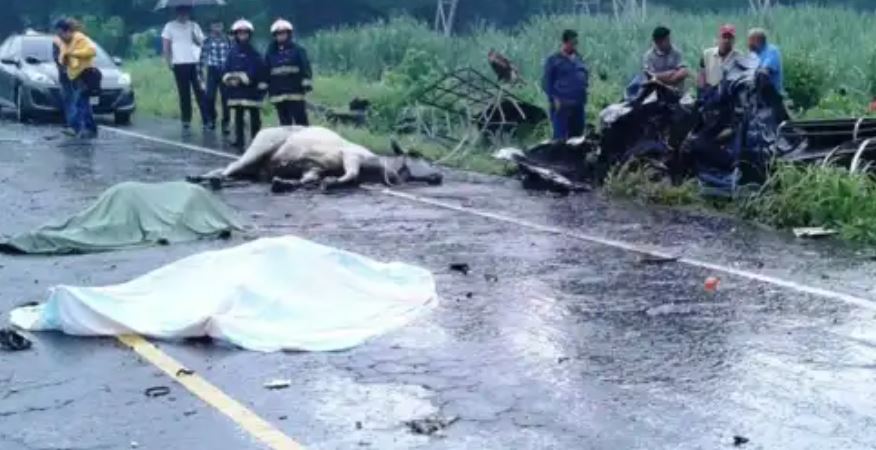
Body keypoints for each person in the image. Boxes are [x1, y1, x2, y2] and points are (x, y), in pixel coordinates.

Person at [162, 6, 208, 130]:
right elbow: (166, 45)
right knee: (184, 93)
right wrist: (168, 61)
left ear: (189, 13)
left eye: (186, 12)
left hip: (194, 63)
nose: (184, 14)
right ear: (177, 12)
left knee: (200, 91)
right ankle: (186, 120)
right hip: (179, 63)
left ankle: (206, 119)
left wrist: (194, 37)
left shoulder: (194, 26)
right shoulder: (169, 26)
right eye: (181, 12)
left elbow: (202, 43)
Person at [223, 19, 266, 149]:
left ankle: (256, 141)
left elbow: (256, 69)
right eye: (239, 33)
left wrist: (243, 79)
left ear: (249, 34)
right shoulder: (232, 52)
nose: (242, 35)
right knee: (238, 116)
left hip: (251, 90)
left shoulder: (254, 52)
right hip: (236, 90)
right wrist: (229, 79)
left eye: (245, 33)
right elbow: (226, 67)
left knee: (254, 116)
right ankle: (239, 140)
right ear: (236, 35)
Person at [542, 29, 589, 140]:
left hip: (578, 104)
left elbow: (584, 75)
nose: (575, 45)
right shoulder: (554, 60)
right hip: (562, 105)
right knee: (560, 138)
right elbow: (546, 83)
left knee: (578, 138)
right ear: (565, 42)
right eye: (573, 43)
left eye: (576, 43)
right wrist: (554, 99)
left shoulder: (579, 58)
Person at [264, 19, 312, 126]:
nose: (281, 36)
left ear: (289, 34)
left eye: (283, 33)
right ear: (274, 35)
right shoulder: (270, 52)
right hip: (278, 94)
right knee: (284, 124)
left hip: (295, 92)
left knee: (301, 122)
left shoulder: (298, 50)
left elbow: (305, 67)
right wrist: (266, 88)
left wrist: (306, 83)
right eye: (278, 34)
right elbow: (266, 71)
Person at [55, 19, 97, 139]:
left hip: (85, 75)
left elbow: (92, 51)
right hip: (74, 77)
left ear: (68, 31)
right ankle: (87, 129)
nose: (60, 37)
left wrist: (73, 53)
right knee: (82, 103)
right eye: (58, 35)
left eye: (61, 34)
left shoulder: (79, 38)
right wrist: (64, 58)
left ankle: (83, 129)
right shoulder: (64, 42)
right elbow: (62, 56)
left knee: (80, 103)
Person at [200, 19, 231, 133]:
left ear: (222, 26)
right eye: (215, 25)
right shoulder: (207, 40)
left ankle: (226, 123)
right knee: (210, 97)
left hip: (225, 70)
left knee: (226, 98)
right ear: (211, 27)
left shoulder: (228, 40)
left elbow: (232, 56)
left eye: (219, 25)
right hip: (212, 70)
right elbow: (202, 58)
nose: (217, 28)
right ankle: (212, 120)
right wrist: (200, 75)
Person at [643, 26, 689, 92]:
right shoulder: (649, 56)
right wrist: (670, 73)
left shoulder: (676, 53)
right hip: (656, 89)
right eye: (665, 40)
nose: (668, 42)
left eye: (668, 39)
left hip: (675, 88)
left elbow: (684, 71)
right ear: (657, 42)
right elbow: (649, 76)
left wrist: (659, 77)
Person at [698, 24, 741, 94]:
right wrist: (701, 92)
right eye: (724, 37)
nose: (726, 40)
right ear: (719, 38)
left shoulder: (739, 57)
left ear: (734, 40)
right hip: (710, 91)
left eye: (729, 37)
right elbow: (702, 74)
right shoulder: (707, 54)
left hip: (730, 94)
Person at [52, 22, 75, 133]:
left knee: (73, 99)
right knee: (68, 98)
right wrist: (63, 68)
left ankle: (73, 124)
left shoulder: (73, 39)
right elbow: (56, 57)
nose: (57, 32)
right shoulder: (57, 41)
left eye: (58, 29)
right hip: (66, 74)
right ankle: (70, 122)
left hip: (74, 73)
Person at [748, 28, 784, 95]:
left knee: (761, 75)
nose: (748, 43)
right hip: (755, 94)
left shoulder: (771, 51)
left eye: (750, 40)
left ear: (757, 40)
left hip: (772, 94)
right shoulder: (753, 54)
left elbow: (765, 71)